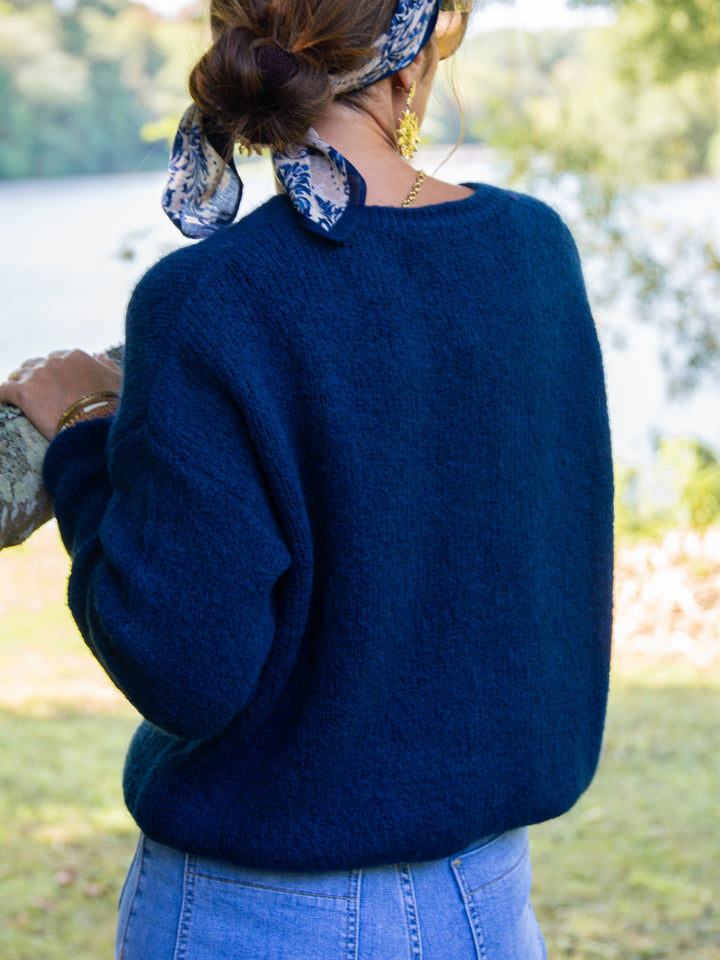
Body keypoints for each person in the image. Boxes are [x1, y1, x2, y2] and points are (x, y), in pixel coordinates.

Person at [0, 1, 614, 957]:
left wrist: (84, 431)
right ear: (409, 61)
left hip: (259, 916)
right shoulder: (533, 251)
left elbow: (183, 666)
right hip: (490, 903)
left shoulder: (210, 299)